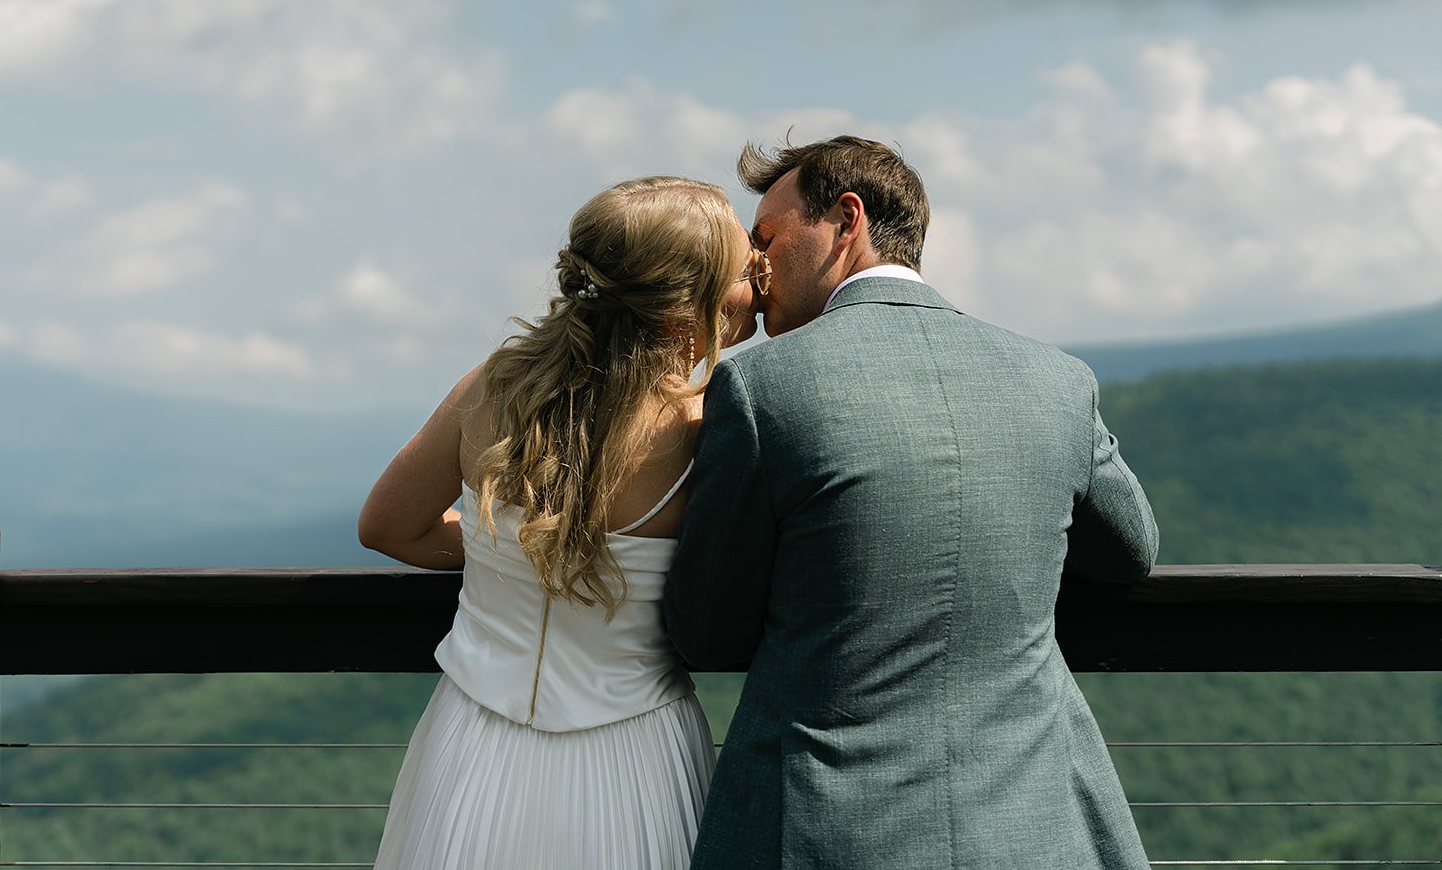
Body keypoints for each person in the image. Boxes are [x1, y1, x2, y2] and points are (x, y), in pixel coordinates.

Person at [663, 136, 1159, 869]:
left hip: (824, 830)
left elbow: (705, 631)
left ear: (846, 219)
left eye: (765, 238)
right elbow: (1130, 553)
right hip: (1032, 823)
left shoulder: (760, 389)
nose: (752, 269)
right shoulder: (1056, 379)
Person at [359, 176, 763, 869]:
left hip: (470, 744)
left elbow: (389, 525)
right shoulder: (710, 430)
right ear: (678, 314)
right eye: (741, 266)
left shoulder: (495, 384)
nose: (757, 271)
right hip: (634, 759)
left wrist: (505, 546)